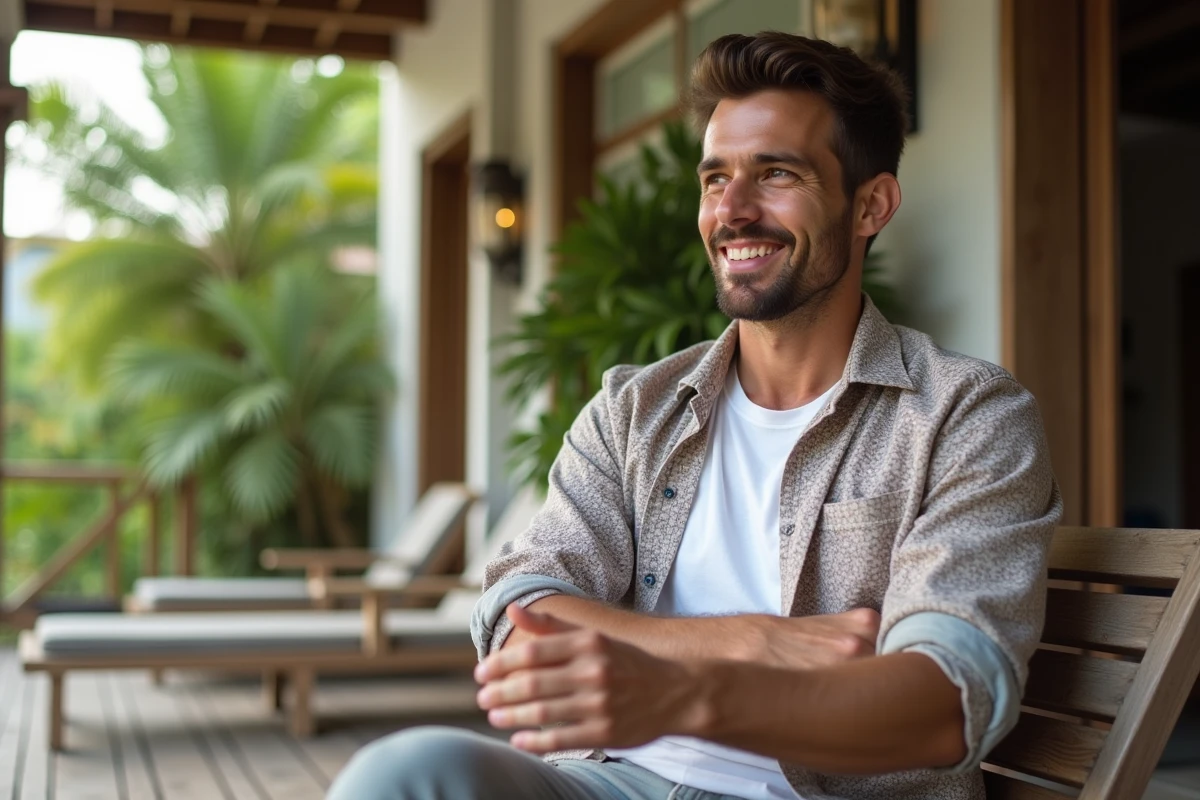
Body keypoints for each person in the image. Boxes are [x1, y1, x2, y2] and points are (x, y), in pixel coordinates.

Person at [329, 30, 1061, 800]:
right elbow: (520, 613)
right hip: (611, 784)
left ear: (870, 204)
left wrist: (686, 691)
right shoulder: (633, 410)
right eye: (716, 180)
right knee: (405, 774)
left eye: (777, 173)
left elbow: (947, 702)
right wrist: (747, 641)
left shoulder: (965, 417)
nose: (733, 211)